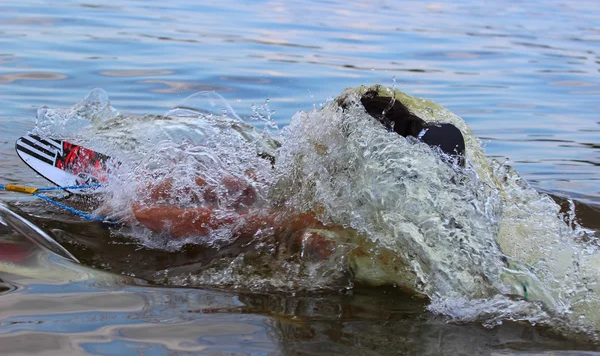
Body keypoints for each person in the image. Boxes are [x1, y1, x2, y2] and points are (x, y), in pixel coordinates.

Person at [132, 87, 466, 240]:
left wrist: (142, 214)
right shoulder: (433, 150)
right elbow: (260, 187)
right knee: (267, 183)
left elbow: (240, 222)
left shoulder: (367, 206)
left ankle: (144, 195)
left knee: (277, 214)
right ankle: (155, 187)